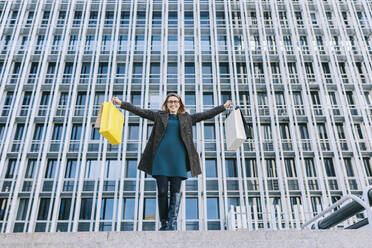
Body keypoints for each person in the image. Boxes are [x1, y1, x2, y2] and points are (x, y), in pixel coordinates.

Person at [112, 93, 232, 231]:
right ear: (166, 104)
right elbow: (141, 112)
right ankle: (164, 223)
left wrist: (223, 107)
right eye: (170, 102)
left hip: (178, 160)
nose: (173, 104)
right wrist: (122, 104)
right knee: (162, 191)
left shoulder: (187, 118)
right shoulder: (159, 116)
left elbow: (206, 114)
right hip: (161, 158)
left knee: (175, 191)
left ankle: (172, 223)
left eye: (175, 101)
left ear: (180, 104)